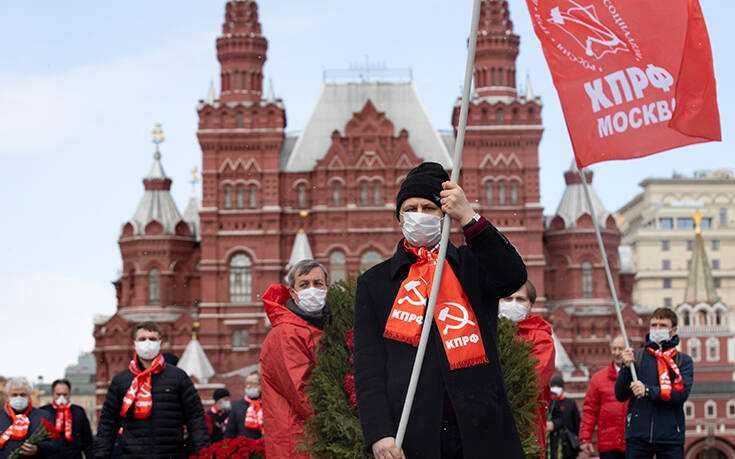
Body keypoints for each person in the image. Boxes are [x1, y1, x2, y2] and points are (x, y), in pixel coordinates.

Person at [354, 162, 527, 459]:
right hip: (411, 432)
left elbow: (512, 276)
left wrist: (470, 218)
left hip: (479, 428)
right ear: (399, 218)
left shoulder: (471, 266)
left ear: (445, 215)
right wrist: (380, 433)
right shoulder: (376, 283)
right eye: (410, 209)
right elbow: (368, 366)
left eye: (429, 208)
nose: (419, 216)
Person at [94, 321, 210, 458]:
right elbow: (108, 423)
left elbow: (196, 418)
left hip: (170, 455)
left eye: (152, 339)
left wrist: (203, 454)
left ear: (160, 343)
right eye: (142, 339)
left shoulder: (178, 377)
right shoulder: (121, 381)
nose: (147, 343)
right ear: (134, 343)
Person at [260, 260, 330, 458]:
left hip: (314, 440)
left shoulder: (322, 326)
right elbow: (304, 393)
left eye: (318, 283)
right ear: (292, 293)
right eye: (304, 284)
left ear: (327, 287)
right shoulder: (286, 333)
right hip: (298, 441)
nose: (312, 290)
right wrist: (343, 418)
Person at [615, 308, 693, 459]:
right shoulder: (638, 357)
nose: (657, 329)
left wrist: (647, 391)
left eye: (663, 325)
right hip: (638, 437)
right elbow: (620, 394)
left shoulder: (683, 361)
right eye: (654, 325)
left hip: (670, 437)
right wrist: (625, 367)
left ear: (673, 330)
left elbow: (680, 394)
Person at [499, 280, 555, 453]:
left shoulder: (541, 338)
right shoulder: (487, 332)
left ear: (531, 305)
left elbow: (533, 380)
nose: (513, 304)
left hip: (526, 422)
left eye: (520, 299)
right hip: (489, 421)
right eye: (507, 298)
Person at [579, 336, 628, 458]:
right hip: (608, 443)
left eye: (620, 349)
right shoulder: (598, 379)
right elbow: (590, 410)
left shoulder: (639, 376)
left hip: (634, 442)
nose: (617, 353)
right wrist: (585, 438)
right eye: (614, 349)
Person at [0, 377, 59, 458]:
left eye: (23, 395)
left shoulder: (43, 416)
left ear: (29, 396)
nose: (19, 398)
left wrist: (38, 449)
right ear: (7, 397)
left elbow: (55, 444)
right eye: (14, 395)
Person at [40, 378, 94, 458]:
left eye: (65, 394)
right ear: (53, 394)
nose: (61, 398)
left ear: (69, 394)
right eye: (58, 394)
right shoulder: (44, 412)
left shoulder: (78, 412)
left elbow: (87, 441)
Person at [546, 376, 581, 459]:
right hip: (552, 443)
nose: (556, 389)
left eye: (558, 386)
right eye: (554, 386)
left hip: (567, 444)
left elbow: (577, 423)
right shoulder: (550, 402)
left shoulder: (570, 403)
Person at [224, 372, 263, 440]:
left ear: (261, 385)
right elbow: (229, 433)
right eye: (247, 383)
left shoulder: (267, 405)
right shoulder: (237, 406)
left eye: (252, 384)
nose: (248, 386)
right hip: (243, 447)